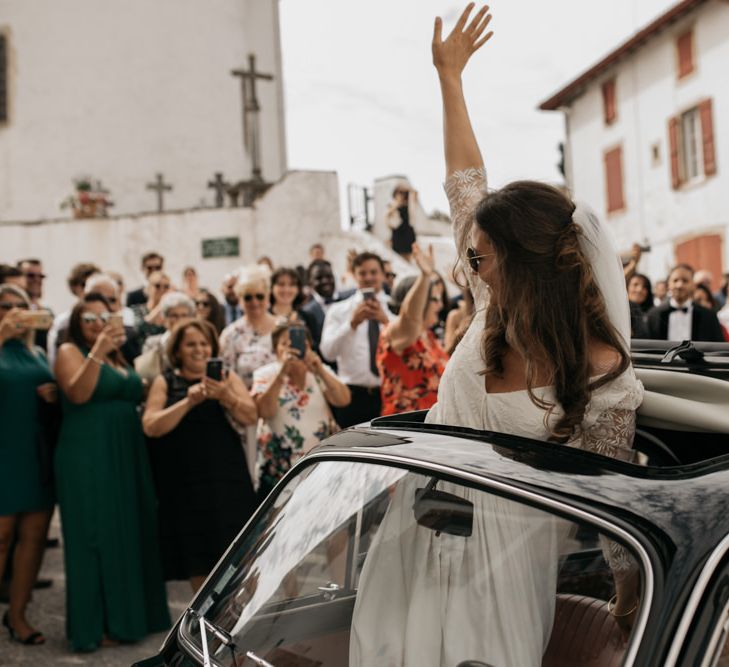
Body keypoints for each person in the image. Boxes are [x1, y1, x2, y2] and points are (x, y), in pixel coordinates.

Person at [350, 8, 644, 666]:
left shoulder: (602, 372)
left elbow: (616, 513)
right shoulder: (489, 302)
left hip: (506, 572)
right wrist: (448, 78)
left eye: (479, 257)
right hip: (415, 535)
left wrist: (632, 616)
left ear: (524, 262)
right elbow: (465, 183)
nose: (466, 267)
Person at [54, 293, 170, 651]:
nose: (97, 323)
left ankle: (131, 618)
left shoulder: (119, 355)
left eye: (104, 316)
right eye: (89, 319)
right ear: (77, 324)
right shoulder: (69, 352)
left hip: (126, 453)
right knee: (95, 534)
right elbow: (78, 393)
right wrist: (99, 350)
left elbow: (136, 390)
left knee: (127, 529)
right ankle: (95, 625)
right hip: (87, 455)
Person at [143, 319, 258, 591]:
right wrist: (188, 401)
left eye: (204, 343)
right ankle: (204, 625)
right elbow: (151, 426)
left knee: (241, 556)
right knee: (198, 559)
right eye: (191, 344)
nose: (199, 350)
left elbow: (251, 415)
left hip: (227, 480)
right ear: (178, 350)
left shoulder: (226, 378)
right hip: (184, 485)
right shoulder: (166, 381)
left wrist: (225, 396)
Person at [0, 285, 56, 646]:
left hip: (35, 455)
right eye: (6, 305)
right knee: (2, 537)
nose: (15, 311)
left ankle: (17, 614)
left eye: (22, 306)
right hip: (3, 454)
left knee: (33, 539)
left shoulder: (36, 351)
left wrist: (53, 395)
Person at [252, 322, 351, 498]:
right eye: (285, 344)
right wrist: (282, 373)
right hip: (280, 467)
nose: (292, 348)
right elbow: (264, 411)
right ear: (276, 350)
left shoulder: (318, 371)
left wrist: (319, 368)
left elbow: (343, 400)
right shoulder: (265, 374)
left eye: (297, 343)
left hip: (319, 463)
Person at [320, 252, 395, 427]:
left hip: (390, 393)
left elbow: (408, 343)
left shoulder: (395, 306)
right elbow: (327, 353)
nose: (368, 277)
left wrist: (386, 321)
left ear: (382, 274)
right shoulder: (338, 311)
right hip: (351, 396)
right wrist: (351, 324)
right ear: (354, 275)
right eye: (362, 273)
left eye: (373, 272)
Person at [220, 265, 279, 478]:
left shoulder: (283, 327)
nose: (254, 302)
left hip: (280, 411)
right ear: (239, 299)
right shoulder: (230, 335)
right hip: (248, 417)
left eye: (259, 296)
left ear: (268, 295)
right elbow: (225, 377)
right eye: (247, 297)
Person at [377, 244, 449, 415]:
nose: (439, 305)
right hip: (407, 427)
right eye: (433, 299)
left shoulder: (428, 335)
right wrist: (424, 277)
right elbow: (410, 317)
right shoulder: (396, 333)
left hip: (432, 425)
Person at [646, 264, 724, 342]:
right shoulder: (654, 315)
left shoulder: (709, 316)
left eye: (685, 281)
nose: (679, 285)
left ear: (693, 285)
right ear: (668, 284)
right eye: (675, 280)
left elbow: (718, 348)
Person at [47, 262, 100, 367]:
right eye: (85, 284)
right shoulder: (64, 321)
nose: (90, 289)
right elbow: (54, 358)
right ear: (74, 287)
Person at [135, 292, 196, 383]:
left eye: (184, 315)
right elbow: (145, 372)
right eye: (174, 315)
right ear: (165, 318)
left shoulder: (197, 342)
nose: (179, 320)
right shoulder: (152, 343)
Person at [130, 269, 170, 348]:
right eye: (157, 286)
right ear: (149, 287)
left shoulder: (169, 313)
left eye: (166, 287)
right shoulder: (136, 309)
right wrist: (160, 306)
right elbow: (138, 329)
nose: (162, 290)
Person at [17, 259, 51, 351]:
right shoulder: (10, 311)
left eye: (41, 276)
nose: (37, 280)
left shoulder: (48, 312)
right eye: (30, 275)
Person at [386, 184, 418, 261]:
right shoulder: (391, 205)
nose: (402, 195)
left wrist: (409, 191)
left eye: (404, 193)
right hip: (398, 234)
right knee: (398, 259)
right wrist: (397, 204)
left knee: (408, 259)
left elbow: (415, 194)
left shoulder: (409, 205)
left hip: (408, 234)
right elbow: (387, 219)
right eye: (400, 193)